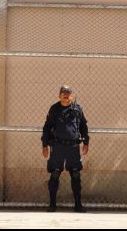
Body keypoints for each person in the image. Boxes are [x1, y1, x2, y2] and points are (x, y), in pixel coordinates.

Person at [41, 84, 89, 212]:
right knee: (55, 174)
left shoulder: (77, 109)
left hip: (73, 147)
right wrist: (44, 145)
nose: (66, 95)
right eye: (63, 93)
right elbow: (46, 128)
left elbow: (84, 127)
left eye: (68, 93)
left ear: (71, 96)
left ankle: (78, 205)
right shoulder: (54, 109)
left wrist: (86, 142)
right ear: (59, 95)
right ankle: (52, 205)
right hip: (57, 147)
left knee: (75, 175)